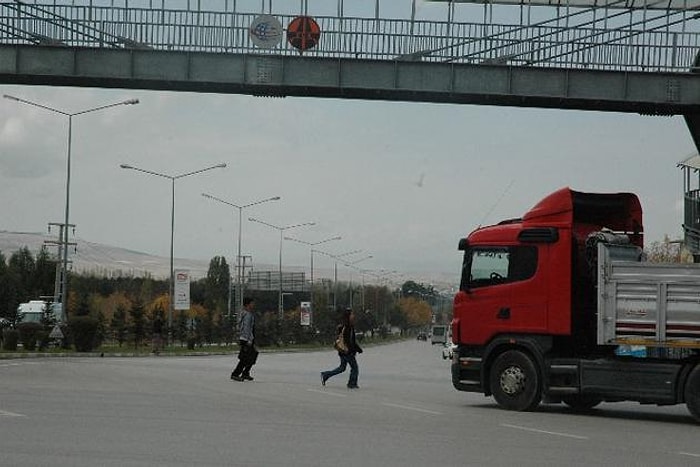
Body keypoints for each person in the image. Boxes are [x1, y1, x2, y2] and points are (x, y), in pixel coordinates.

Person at [321, 308, 363, 389]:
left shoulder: (343, 326)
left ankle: (325, 375)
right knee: (354, 368)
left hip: (342, 351)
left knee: (342, 368)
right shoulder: (348, 327)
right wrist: (356, 349)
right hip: (347, 351)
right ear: (348, 316)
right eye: (352, 314)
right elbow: (349, 341)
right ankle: (352, 383)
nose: (353, 316)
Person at [231, 297, 257, 382]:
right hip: (246, 338)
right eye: (252, 303)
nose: (253, 305)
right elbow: (246, 328)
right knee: (245, 358)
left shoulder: (245, 313)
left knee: (252, 355)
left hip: (246, 337)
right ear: (248, 304)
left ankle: (246, 373)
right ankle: (235, 374)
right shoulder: (247, 315)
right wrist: (248, 340)